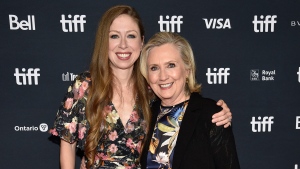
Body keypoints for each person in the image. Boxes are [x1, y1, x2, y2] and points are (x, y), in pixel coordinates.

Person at [49, 5, 233, 169]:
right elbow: (68, 145)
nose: (123, 44)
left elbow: (184, 108)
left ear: (141, 41)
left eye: (131, 36)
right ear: (104, 42)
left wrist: (218, 111)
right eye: (114, 36)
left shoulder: (152, 89)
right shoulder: (85, 85)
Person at [139, 32, 240, 169]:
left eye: (171, 65)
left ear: (187, 69)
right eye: (154, 68)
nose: (163, 76)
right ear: (147, 76)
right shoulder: (144, 115)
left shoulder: (212, 115)